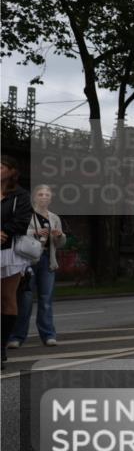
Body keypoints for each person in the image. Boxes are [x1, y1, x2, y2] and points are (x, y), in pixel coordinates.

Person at [9, 185, 66, 348]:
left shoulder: (54, 218)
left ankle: (48, 335)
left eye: (47, 194)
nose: (44, 197)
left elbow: (60, 243)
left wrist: (60, 236)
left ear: (51, 198)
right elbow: (17, 235)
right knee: (24, 300)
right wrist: (35, 232)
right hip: (28, 262)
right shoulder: (26, 215)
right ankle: (17, 337)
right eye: (41, 194)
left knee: (46, 300)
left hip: (48, 260)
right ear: (35, 198)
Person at [1, 156, 33, 366]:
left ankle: (1, 347)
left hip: (8, 252)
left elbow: (22, 221)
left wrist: (4, 231)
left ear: (11, 171)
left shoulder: (21, 196)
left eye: (0, 166)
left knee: (6, 298)